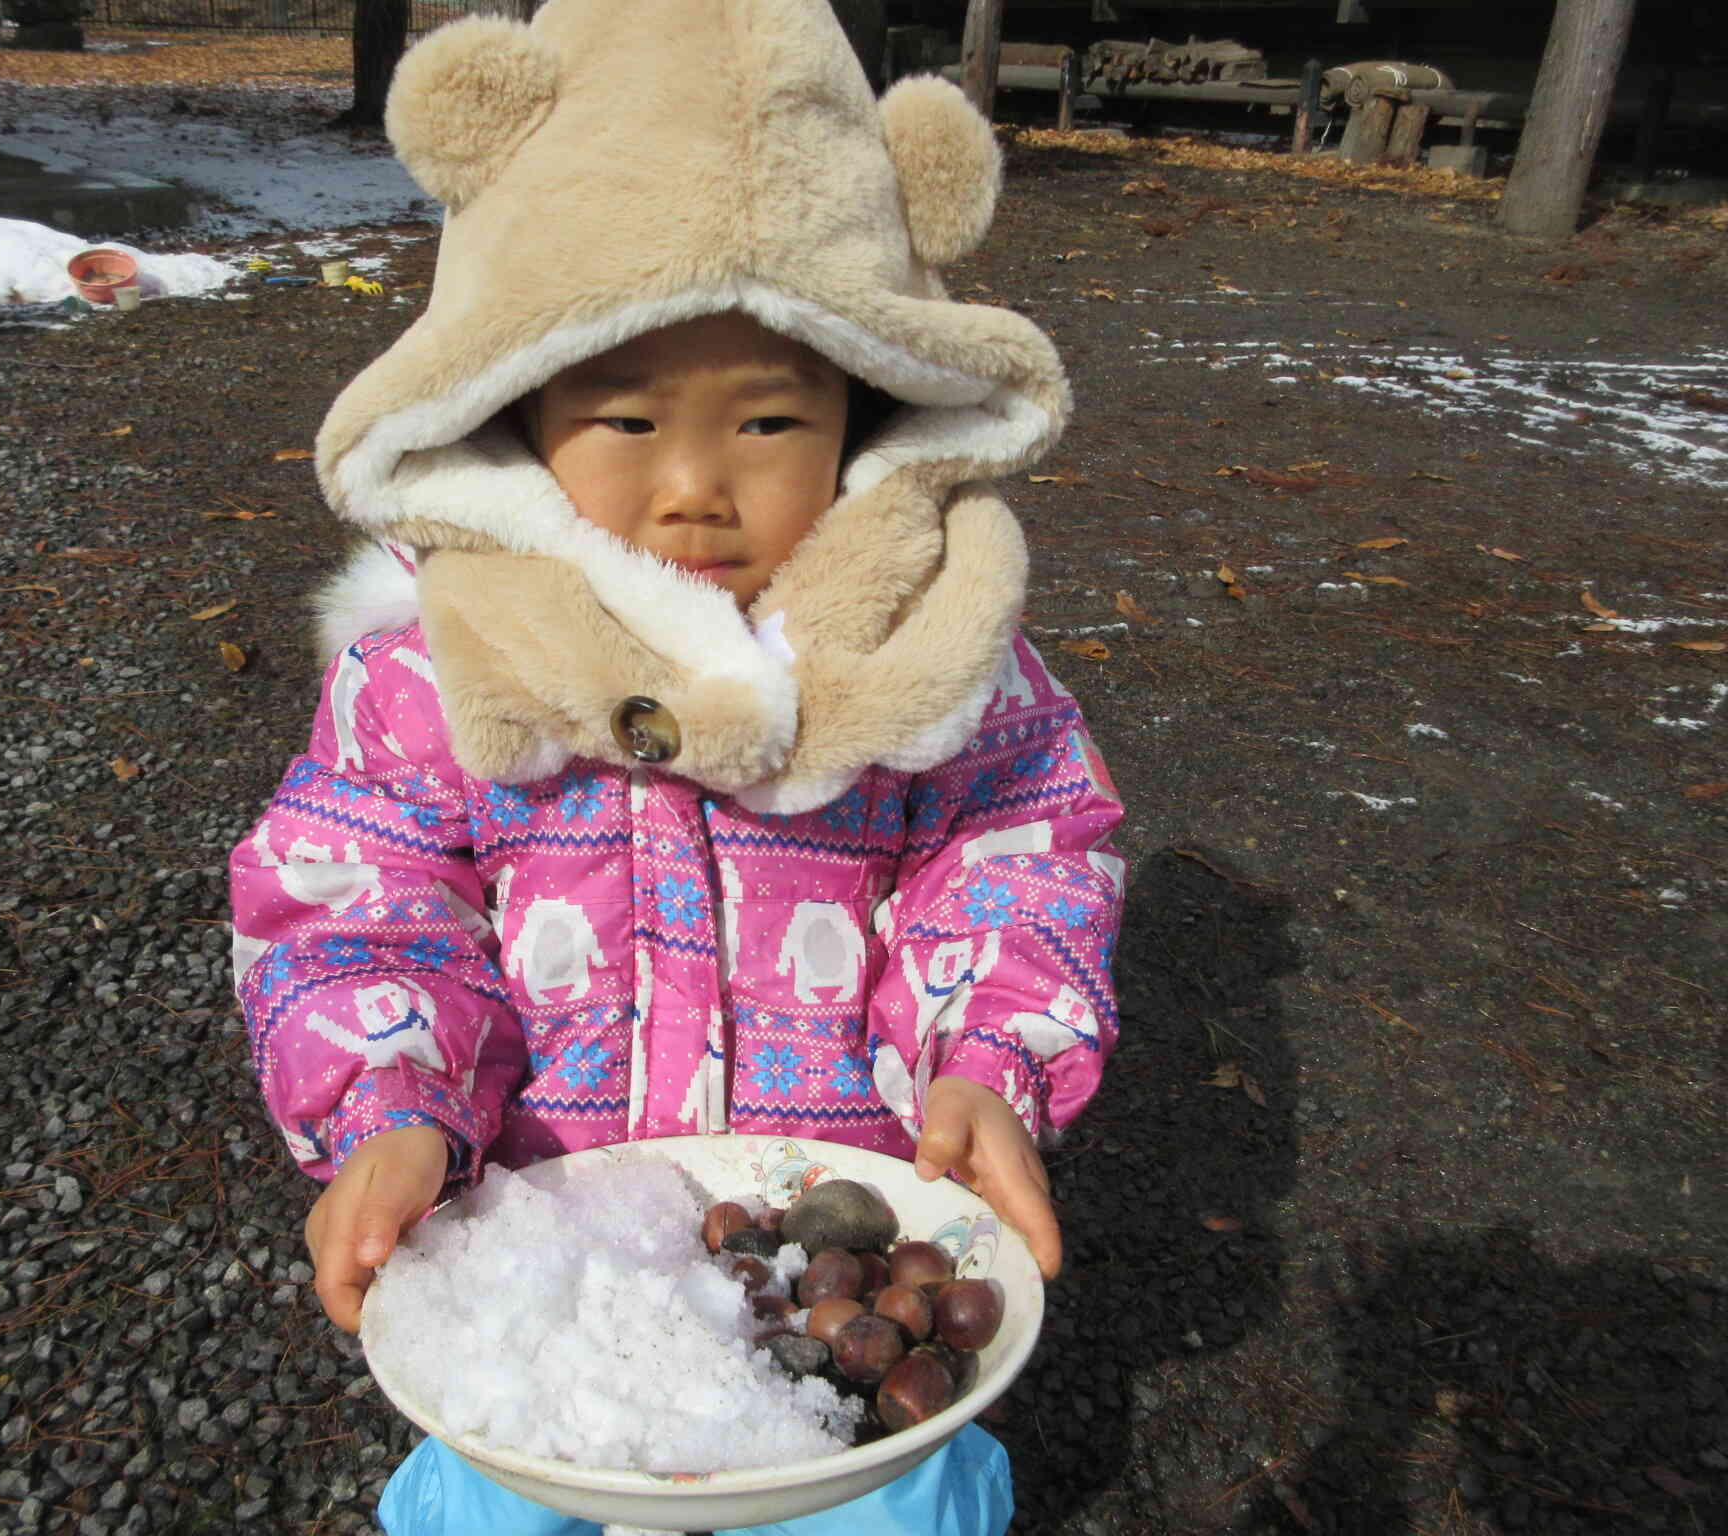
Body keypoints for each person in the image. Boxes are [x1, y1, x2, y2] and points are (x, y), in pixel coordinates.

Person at [228, 2, 1125, 1532]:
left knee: (888, 1509)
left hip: (825, 1237)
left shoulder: (930, 653)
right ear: (508, 405)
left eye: (771, 419)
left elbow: (1020, 856)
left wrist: (988, 1062)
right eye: (626, 417)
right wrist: (391, 1104)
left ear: (869, 410)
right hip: (547, 1240)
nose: (696, 489)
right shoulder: (437, 661)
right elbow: (363, 900)